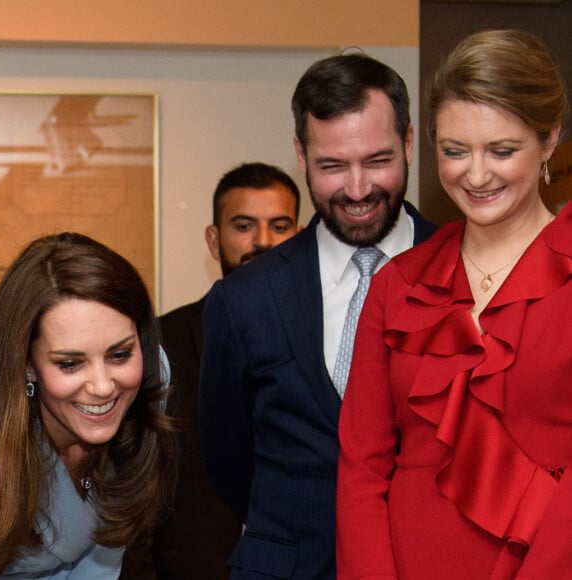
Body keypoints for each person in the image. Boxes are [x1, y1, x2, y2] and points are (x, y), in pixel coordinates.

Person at [336, 29, 570, 579]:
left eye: (502, 150)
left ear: (550, 141)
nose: (477, 174)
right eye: (455, 151)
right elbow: (362, 468)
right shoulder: (399, 284)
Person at [199, 53, 437, 578]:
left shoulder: (466, 271)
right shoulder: (244, 300)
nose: (357, 190)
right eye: (332, 166)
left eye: (377, 161)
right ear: (301, 155)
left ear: (410, 143)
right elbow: (227, 459)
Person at [0, 232, 178, 579]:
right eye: (70, 364)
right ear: (27, 364)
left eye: (120, 354)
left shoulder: (151, 384)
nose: (103, 386)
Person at [150, 162, 302, 579]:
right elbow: (134, 481)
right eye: (244, 226)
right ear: (214, 241)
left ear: (301, 237)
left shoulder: (331, 341)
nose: (262, 241)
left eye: (280, 225)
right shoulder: (161, 341)